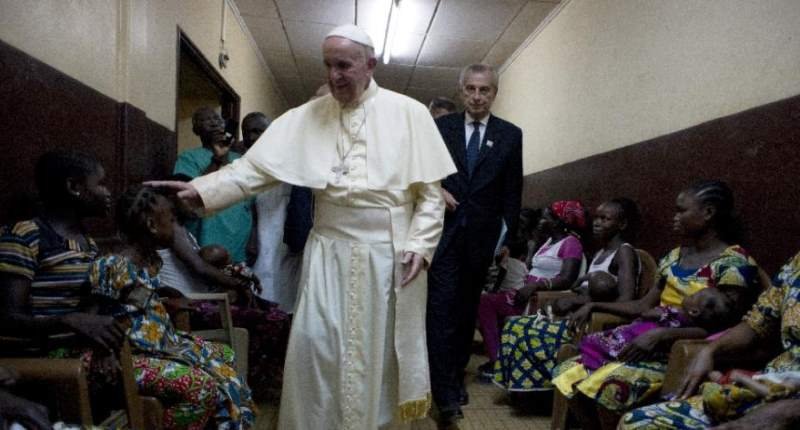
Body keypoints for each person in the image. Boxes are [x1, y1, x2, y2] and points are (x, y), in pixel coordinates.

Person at [147, 24, 456, 429]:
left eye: (344, 66)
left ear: (370, 65)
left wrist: (421, 244)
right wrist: (198, 190)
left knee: (378, 352)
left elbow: (430, 197)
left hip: (391, 254)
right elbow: (252, 171)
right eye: (328, 66)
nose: (334, 76)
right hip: (329, 252)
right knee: (318, 347)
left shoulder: (410, 113)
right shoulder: (306, 117)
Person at [558, 180, 761, 430]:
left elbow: (726, 327)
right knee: (567, 370)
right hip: (648, 341)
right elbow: (643, 305)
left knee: (610, 383)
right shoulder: (673, 257)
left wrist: (663, 335)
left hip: (686, 352)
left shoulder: (733, 263)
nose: (674, 217)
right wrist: (595, 306)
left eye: (681, 210)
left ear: (708, 213)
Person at [90, 185, 255, 429]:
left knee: (225, 357)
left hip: (159, 345)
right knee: (205, 386)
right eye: (171, 219)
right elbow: (96, 313)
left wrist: (166, 295)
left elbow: (138, 296)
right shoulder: (114, 265)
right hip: (129, 355)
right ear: (152, 225)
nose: (176, 224)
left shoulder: (150, 261)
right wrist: (103, 352)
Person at [426, 63, 523, 425]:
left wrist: (509, 239)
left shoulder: (510, 135)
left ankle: (453, 377)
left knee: (466, 312)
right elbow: (421, 171)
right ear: (461, 91)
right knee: (440, 310)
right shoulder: (441, 128)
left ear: (494, 93)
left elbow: (513, 191)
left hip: (482, 238)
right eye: (470, 89)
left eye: (484, 90)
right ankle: (445, 393)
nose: (477, 96)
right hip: (443, 234)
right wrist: (435, 191)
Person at [619, 250, 800, 430]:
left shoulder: (732, 264)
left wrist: (788, 411)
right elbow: (756, 323)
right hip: (772, 383)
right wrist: (710, 350)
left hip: (790, 400)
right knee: (638, 422)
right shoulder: (795, 265)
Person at [492, 198, 640, 394]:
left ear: (621, 224)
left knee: (527, 332)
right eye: (596, 217)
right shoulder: (602, 252)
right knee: (514, 325)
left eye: (605, 219)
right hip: (578, 316)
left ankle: (540, 391)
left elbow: (626, 301)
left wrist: (589, 304)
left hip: (594, 325)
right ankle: (523, 388)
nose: (597, 223)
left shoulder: (624, 253)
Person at [476, 200, 586, 377]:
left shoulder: (571, 243)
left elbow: (568, 278)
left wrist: (536, 285)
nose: (541, 220)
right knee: (484, 303)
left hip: (542, 299)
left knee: (486, 303)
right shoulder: (548, 241)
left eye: (546, 217)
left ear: (559, 221)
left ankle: (499, 362)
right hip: (526, 294)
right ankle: (499, 358)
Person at [173, 107, 254, 263]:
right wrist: (217, 159)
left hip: (239, 241)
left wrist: (254, 238)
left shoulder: (241, 159)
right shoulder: (188, 158)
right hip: (206, 242)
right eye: (206, 120)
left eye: (217, 119)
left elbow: (251, 202)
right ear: (196, 129)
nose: (214, 122)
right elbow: (189, 199)